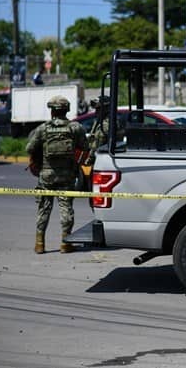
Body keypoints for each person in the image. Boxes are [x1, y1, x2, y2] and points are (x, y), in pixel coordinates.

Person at [26, 96, 89, 254]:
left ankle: (40, 244)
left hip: (46, 175)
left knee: (44, 209)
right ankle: (65, 243)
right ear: (66, 110)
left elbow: (29, 148)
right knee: (66, 208)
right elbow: (85, 147)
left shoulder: (43, 128)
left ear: (52, 110)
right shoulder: (75, 127)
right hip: (67, 176)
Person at [86, 96, 111, 166]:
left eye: (98, 109)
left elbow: (98, 144)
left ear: (106, 109)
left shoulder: (108, 124)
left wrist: (89, 159)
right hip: (97, 160)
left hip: (103, 161)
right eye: (96, 109)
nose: (96, 112)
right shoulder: (99, 121)